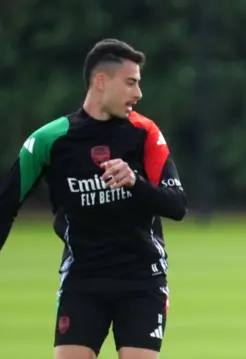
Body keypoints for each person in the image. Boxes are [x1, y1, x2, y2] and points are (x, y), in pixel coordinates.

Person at [0, 39, 187, 359]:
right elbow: (5, 206)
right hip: (82, 280)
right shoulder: (49, 140)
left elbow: (177, 205)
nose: (138, 94)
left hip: (142, 279)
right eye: (130, 83)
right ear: (101, 81)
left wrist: (135, 182)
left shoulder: (145, 133)